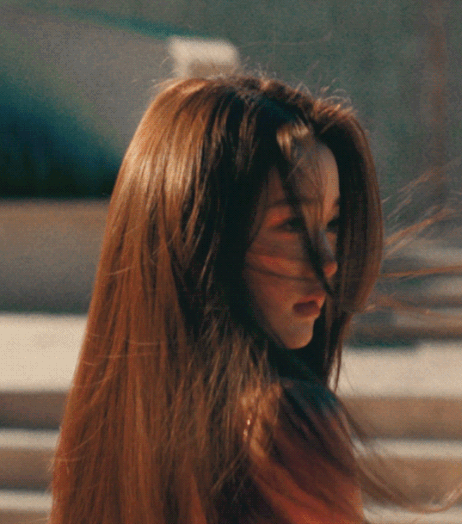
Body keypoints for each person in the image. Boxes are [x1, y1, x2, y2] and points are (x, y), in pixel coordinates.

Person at [49, 75, 384, 524]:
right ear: (204, 242)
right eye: (292, 225)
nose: (328, 262)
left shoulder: (101, 440)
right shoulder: (285, 424)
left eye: (332, 224)